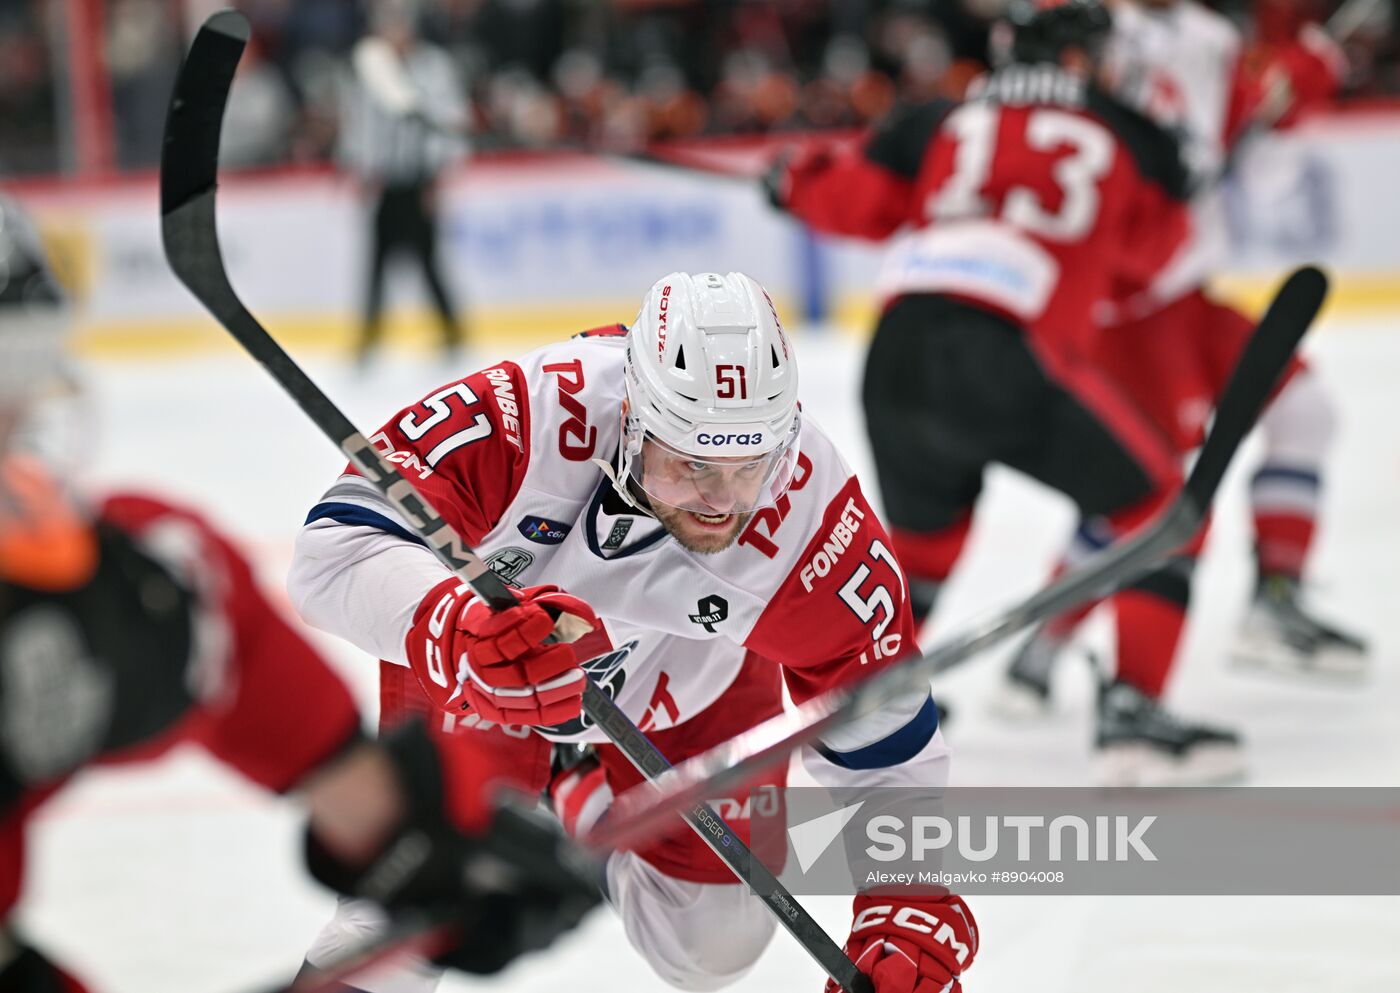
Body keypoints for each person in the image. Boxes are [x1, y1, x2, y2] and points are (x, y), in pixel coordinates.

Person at [287, 271, 977, 993]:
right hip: (494, 660)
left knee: (713, 948)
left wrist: (907, 899)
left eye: (750, 468)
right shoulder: (533, 411)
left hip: (690, 678)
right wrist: (457, 630)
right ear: (635, 416)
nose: (721, 501)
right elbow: (334, 549)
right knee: (419, 913)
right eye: (693, 464)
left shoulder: (812, 513)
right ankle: (532, 776)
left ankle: (572, 779)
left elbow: (887, 740)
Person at [0, 194, 599, 991]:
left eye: (20, 409)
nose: (25, 455)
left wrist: (399, 819)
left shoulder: (72, 595)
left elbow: (210, 628)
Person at [766, 0, 1247, 785]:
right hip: (1008, 348)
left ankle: (863, 696)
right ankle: (1134, 715)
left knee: (923, 545)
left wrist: (794, 179)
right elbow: (1151, 259)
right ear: (1089, 57)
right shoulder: (1131, 129)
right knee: (1164, 509)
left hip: (896, 352)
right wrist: (1188, 176)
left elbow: (853, 202)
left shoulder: (937, 118)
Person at [998, 0, 1365, 709]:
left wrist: (1284, 100)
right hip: (1125, 306)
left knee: (1306, 411)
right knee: (1144, 492)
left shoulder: (1213, 37)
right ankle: (1046, 637)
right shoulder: (1084, 24)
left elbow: (1257, 175)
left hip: (1189, 292)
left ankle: (1273, 597)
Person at [341, 0, 469, 366]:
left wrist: (437, 175)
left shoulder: (433, 67)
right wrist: (363, 169)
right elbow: (360, 123)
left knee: (428, 261)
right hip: (385, 181)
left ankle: (452, 332)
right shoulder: (371, 68)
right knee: (376, 262)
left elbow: (449, 121)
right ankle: (370, 336)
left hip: (419, 180)